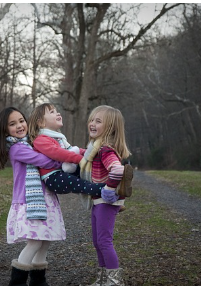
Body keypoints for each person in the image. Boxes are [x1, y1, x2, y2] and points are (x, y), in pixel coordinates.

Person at [0, 107, 65, 286]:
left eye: (21, 121)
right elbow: (43, 161)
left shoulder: (32, 142)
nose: (19, 126)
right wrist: (62, 159)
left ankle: (38, 281)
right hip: (29, 201)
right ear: (5, 129)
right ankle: (17, 282)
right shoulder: (17, 149)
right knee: (34, 242)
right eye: (12, 124)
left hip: (45, 199)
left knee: (45, 241)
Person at [79, 105, 131, 286]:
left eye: (98, 121)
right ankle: (102, 279)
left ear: (110, 127)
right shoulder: (95, 147)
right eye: (91, 120)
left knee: (104, 240)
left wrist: (109, 189)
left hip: (106, 201)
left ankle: (114, 281)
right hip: (98, 201)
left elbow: (117, 169)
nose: (92, 124)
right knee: (97, 241)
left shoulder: (105, 149)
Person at [28, 103, 117, 201]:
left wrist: (90, 153)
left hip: (63, 171)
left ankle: (112, 183)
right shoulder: (40, 140)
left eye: (57, 111)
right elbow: (58, 153)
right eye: (52, 112)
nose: (58, 114)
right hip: (53, 178)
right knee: (80, 184)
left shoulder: (58, 137)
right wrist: (80, 159)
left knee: (91, 172)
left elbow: (73, 149)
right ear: (41, 122)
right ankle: (105, 190)